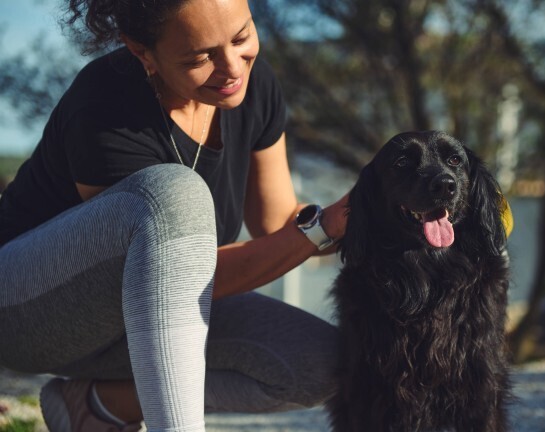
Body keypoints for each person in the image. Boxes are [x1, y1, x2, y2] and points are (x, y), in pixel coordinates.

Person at [0, 0, 348, 430]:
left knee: (324, 364)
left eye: (241, 37)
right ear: (142, 52)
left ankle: (96, 408)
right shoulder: (105, 105)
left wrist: (355, 216)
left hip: (128, 328)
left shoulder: (252, 85)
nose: (232, 67)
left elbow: (279, 224)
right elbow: (171, 276)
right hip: (25, 312)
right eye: (201, 57)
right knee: (175, 192)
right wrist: (319, 231)